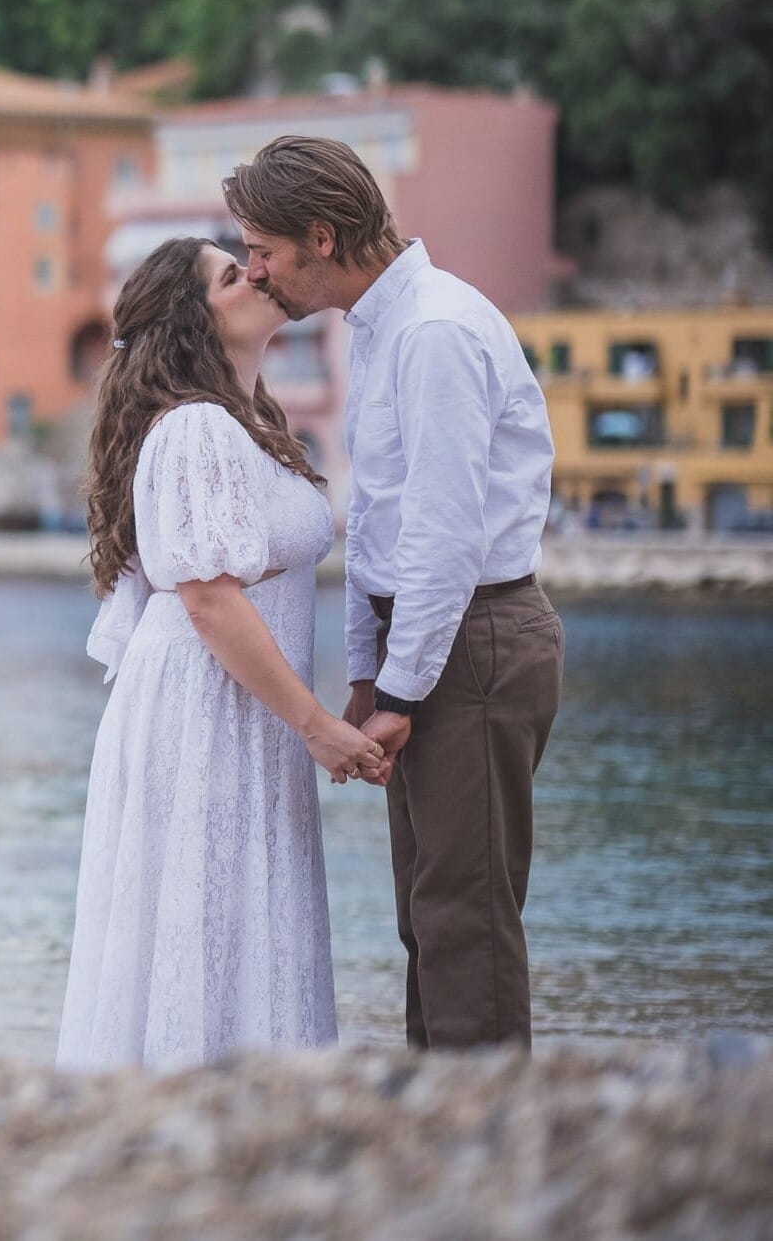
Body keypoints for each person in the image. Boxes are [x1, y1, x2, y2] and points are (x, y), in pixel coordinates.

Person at [225, 135, 562, 1050]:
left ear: (321, 237)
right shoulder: (377, 326)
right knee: (429, 910)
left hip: (474, 637)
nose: (253, 271)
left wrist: (403, 687)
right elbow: (375, 522)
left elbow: (445, 533)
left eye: (261, 248)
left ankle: (487, 1137)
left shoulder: (434, 330)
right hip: (428, 637)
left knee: (464, 912)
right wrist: (372, 677)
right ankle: (440, 1123)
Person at [58, 236, 387, 1071]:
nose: (257, 274)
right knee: (201, 913)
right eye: (231, 275)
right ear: (192, 320)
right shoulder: (198, 428)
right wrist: (314, 724)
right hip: (205, 704)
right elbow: (206, 595)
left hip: (243, 701)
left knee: (237, 913)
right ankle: (189, 1096)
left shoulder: (247, 423)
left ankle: (239, 1102)